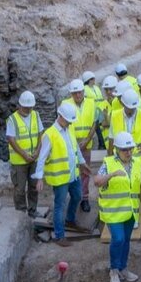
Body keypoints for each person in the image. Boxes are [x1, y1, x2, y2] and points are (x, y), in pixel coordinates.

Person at [33, 102, 90, 247]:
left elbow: (75, 148)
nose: (70, 123)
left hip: (73, 175)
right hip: (60, 178)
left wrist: (82, 163)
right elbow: (42, 157)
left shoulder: (69, 129)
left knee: (77, 196)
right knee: (60, 205)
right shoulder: (49, 135)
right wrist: (39, 177)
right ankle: (59, 235)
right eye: (68, 120)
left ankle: (70, 219)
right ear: (60, 117)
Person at [95, 131, 141, 282]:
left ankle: (123, 268)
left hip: (131, 212)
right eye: (125, 150)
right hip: (113, 213)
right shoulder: (108, 163)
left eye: (130, 149)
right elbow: (97, 181)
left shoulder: (137, 163)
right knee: (118, 239)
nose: (128, 152)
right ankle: (114, 270)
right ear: (116, 149)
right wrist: (112, 175)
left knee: (126, 241)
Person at [61, 79, 98, 213]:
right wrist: (75, 143)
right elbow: (63, 124)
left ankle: (84, 198)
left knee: (85, 172)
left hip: (86, 144)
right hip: (71, 143)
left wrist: (87, 139)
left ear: (83, 91)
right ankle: (74, 197)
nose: (78, 95)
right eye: (75, 93)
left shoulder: (91, 103)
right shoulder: (65, 104)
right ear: (71, 93)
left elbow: (95, 123)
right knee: (71, 171)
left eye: (80, 92)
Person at [6, 91, 43, 217]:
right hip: (19, 162)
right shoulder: (12, 119)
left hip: (33, 159)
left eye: (30, 107)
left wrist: (37, 151)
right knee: (20, 189)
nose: (28, 110)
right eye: (26, 107)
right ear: (20, 105)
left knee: (33, 188)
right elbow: (11, 139)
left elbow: (40, 135)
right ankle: (21, 213)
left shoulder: (36, 116)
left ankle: (33, 210)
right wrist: (24, 155)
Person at [109, 89, 141, 161]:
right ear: (123, 104)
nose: (132, 110)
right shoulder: (115, 115)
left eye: (134, 108)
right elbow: (111, 137)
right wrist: (109, 156)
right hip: (120, 156)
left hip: (138, 156)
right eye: (130, 108)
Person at [83, 71, 107, 150]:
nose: (94, 80)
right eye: (92, 79)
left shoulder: (96, 88)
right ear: (88, 80)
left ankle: (102, 144)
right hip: (92, 113)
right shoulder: (85, 89)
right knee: (97, 129)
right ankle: (102, 144)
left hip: (100, 111)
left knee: (102, 128)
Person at [100, 75, 119, 150]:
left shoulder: (122, 103)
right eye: (106, 89)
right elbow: (102, 124)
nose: (108, 92)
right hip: (107, 145)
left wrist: (107, 118)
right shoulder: (101, 105)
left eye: (111, 89)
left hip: (121, 145)